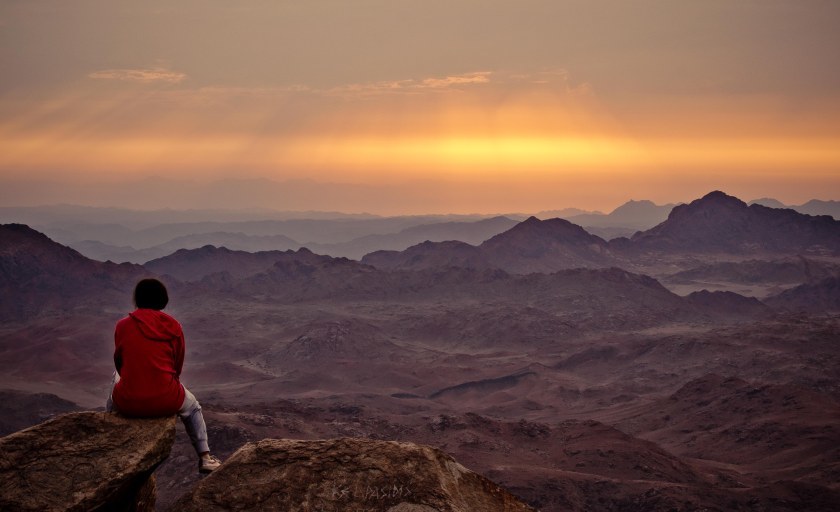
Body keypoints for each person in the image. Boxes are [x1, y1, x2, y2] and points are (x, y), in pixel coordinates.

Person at [106, 278, 221, 474]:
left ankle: (108, 438)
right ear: (163, 299)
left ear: (138, 298)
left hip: (128, 402)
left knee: (115, 377)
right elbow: (177, 363)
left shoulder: (123, 325)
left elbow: (119, 360)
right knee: (193, 408)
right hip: (167, 399)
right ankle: (205, 458)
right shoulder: (174, 326)